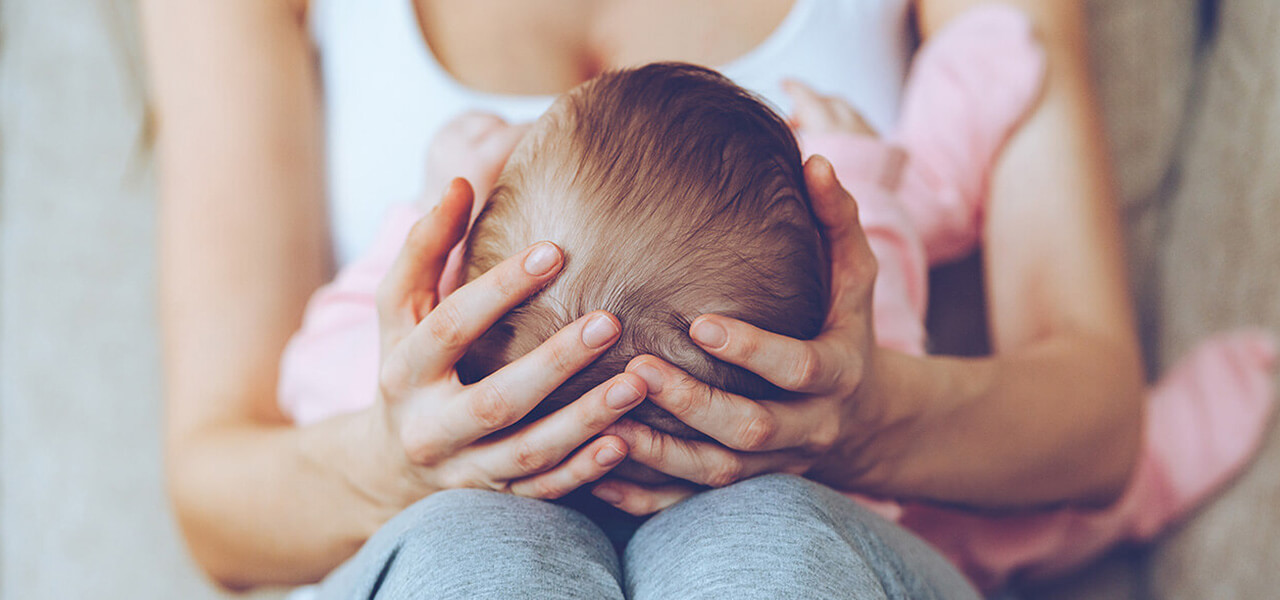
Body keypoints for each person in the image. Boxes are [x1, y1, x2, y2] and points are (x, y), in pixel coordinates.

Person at [137, 0, 1274, 595]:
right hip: (439, 558)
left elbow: (1092, 432)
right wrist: (406, 452)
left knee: (762, 544)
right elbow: (216, 504)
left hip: (822, 541)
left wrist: (864, 419)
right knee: (477, 554)